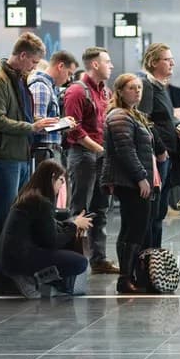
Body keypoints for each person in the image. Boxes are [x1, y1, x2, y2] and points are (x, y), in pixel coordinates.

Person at [0, 32, 59, 294]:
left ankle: (12, 270)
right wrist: (31, 126)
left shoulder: (18, 79)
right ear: (23, 55)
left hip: (20, 154)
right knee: (3, 217)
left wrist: (38, 124)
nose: (35, 67)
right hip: (4, 156)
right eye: (34, 62)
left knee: (18, 218)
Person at [0, 160, 93, 299]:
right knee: (80, 262)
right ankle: (31, 279)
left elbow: (43, 229)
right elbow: (52, 241)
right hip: (19, 259)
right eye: (60, 180)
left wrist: (71, 223)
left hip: (8, 257)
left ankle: (31, 278)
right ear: (51, 178)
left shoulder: (30, 196)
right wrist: (74, 226)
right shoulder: (41, 202)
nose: (62, 185)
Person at [101, 74, 162, 294]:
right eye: (131, 88)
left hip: (136, 180)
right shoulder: (119, 115)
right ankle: (125, 279)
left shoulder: (133, 114)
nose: (137, 91)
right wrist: (140, 178)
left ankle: (130, 276)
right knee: (133, 229)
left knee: (135, 228)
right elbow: (126, 151)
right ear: (120, 91)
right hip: (129, 182)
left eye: (139, 87)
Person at [64, 47, 117, 275]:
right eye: (107, 61)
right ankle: (74, 259)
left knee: (101, 208)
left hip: (100, 155)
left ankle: (99, 258)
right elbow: (72, 129)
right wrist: (99, 149)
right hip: (84, 156)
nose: (111, 65)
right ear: (95, 64)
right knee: (79, 209)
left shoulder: (105, 91)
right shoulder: (77, 91)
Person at [138, 43, 179, 248]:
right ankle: (149, 257)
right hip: (156, 158)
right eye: (167, 59)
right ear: (154, 63)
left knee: (160, 211)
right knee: (153, 212)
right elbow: (145, 121)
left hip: (167, 156)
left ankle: (156, 256)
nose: (172, 63)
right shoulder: (147, 86)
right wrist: (161, 149)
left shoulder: (161, 87)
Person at [28, 50, 78, 165]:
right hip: (43, 151)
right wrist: (63, 124)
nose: (69, 79)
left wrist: (64, 124)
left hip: (49, 150)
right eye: (69, 73)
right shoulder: (41, 87)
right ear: (60, 66)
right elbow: (38, 125)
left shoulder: (50, 87)